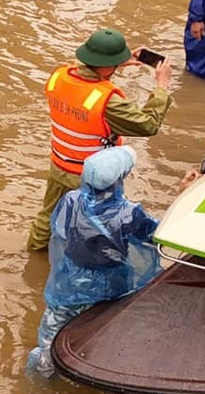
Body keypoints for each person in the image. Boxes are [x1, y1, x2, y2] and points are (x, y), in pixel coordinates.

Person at [28, 28, 172, 251]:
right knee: (97, 229)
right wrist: (162, 88)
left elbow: (80, 81)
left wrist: (112, 65)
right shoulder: (109, 102)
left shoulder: (58, 77)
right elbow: (148, 124)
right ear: (107, 66)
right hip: (93, 176)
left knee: (48, 216)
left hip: (60, 164)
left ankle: (34, 253)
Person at [25, 146, 162, 377]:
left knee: (51, 335)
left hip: (68, 283)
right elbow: (155, 235)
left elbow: (60, 232)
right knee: (102, 332)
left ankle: (40, 376)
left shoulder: (70, 200)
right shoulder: (129, 213)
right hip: (111, 285)